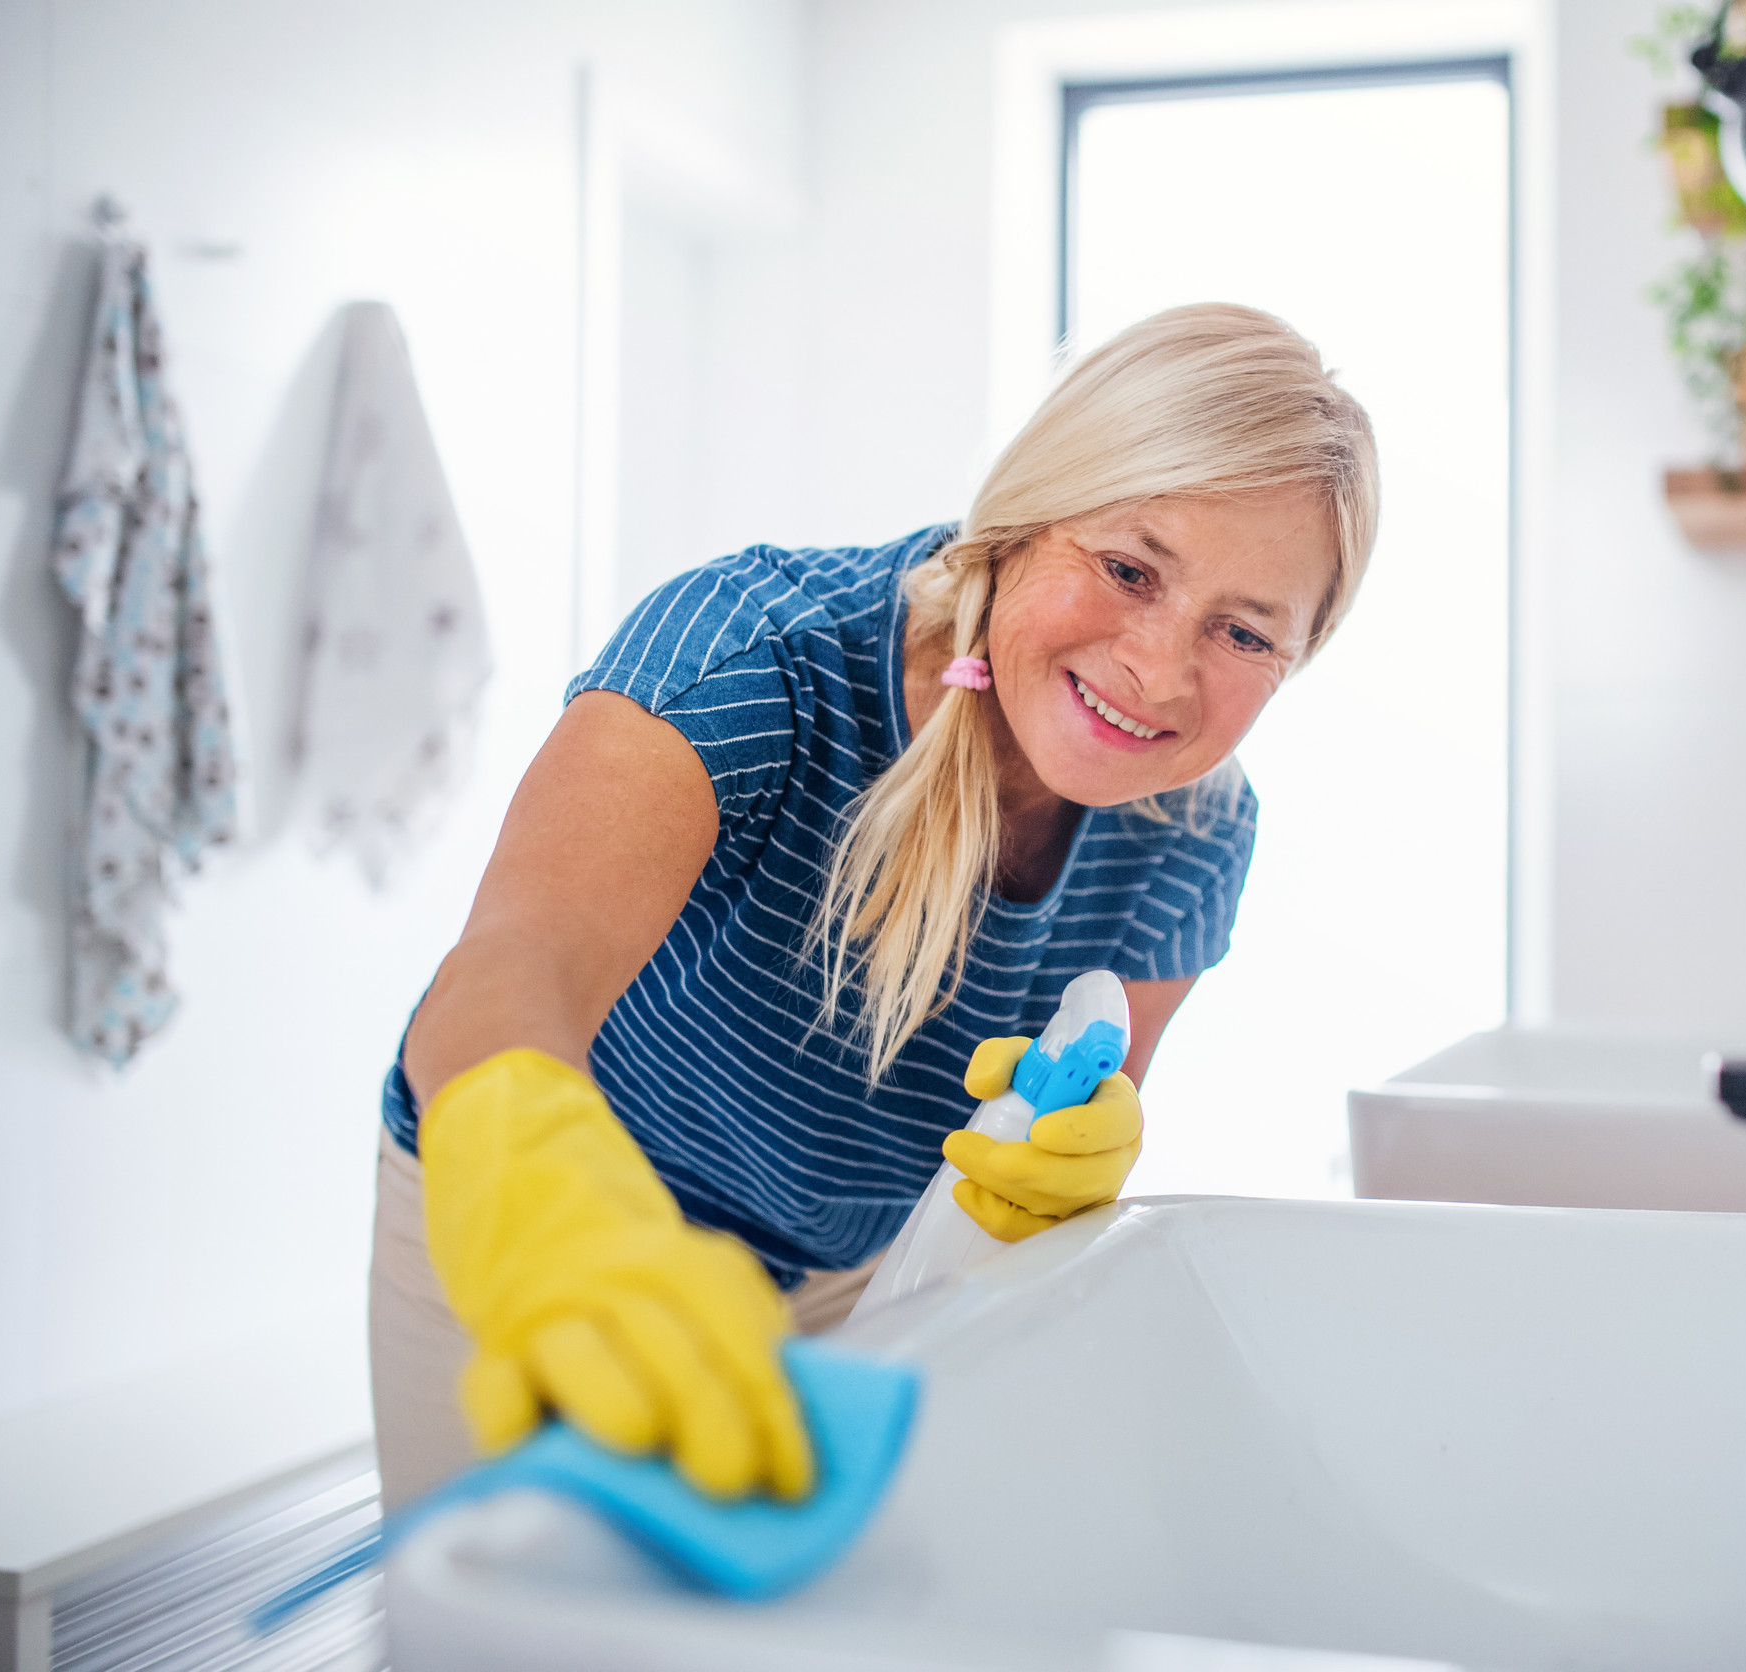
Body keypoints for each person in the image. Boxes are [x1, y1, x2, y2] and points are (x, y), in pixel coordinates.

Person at [366, 304, 1381, 1506]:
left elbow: (1074, 1099)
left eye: (1245, 630)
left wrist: (1055, 1162)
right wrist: (538, 1199)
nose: (1159, 669)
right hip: (538, 1235)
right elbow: (510, 962)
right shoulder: (757, 656)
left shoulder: (1198, 830)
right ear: (1023, 511)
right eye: (1127, 567)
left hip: (855, 1282)